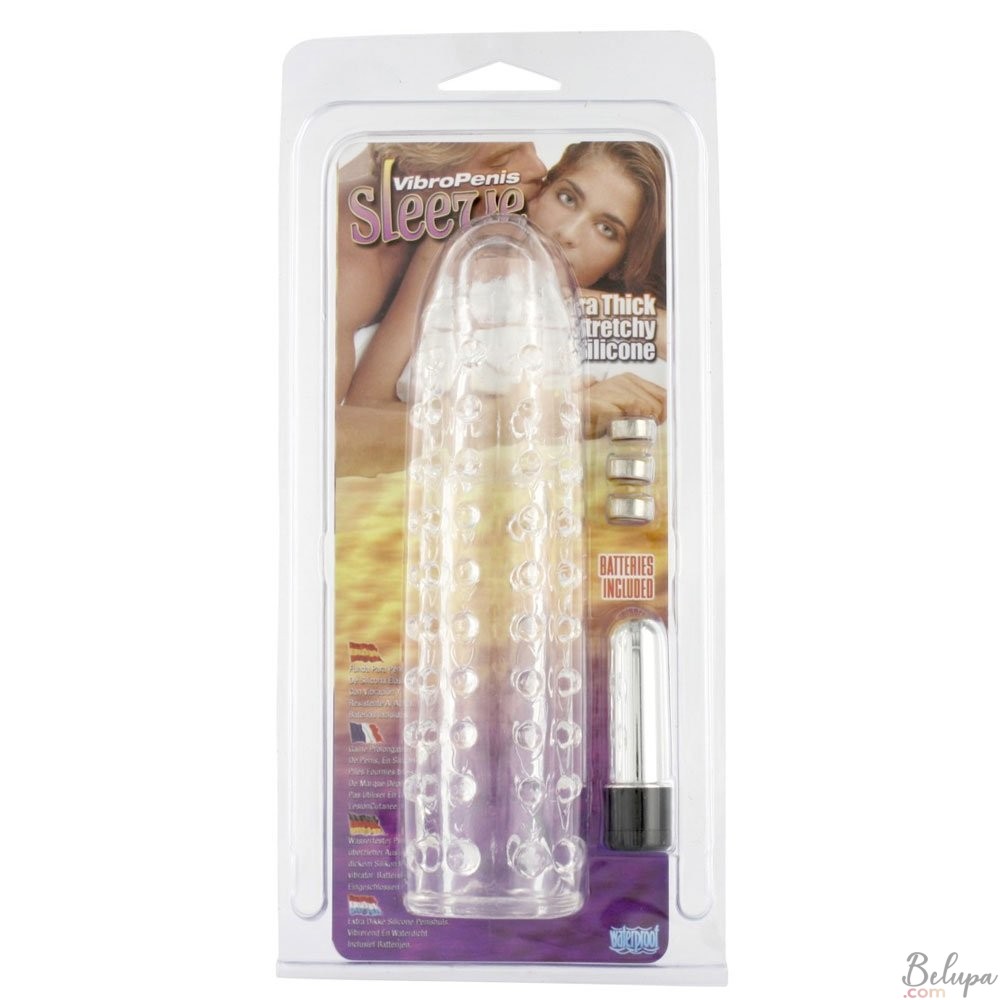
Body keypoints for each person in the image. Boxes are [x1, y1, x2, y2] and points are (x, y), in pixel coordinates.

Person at [345, 141, 668, 441]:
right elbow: (364, 404)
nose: (568, 233)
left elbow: (670, 336)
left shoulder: (621, 343)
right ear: (540, 193)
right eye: (567, 198)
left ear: (620, 264)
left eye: (606, 229)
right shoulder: (456, 249)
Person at [333, 142, 546, 475]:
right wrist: (504, 418)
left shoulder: (473, 218)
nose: (539, 169)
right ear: (418, 173)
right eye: (501, 161)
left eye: (530, 146)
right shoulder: (341, 263)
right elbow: (323, 436)